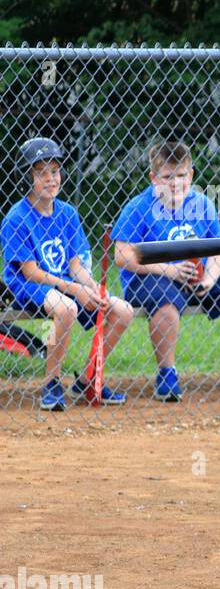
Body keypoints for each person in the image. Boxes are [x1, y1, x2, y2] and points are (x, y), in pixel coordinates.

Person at [111, 140, 220, 400]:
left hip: (196, 278)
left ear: (190, 175)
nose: (175, 183)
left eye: (181, 175)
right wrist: (169, 271)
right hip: (150, 278)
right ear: (153, 178)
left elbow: (219, 249)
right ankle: (167, 373)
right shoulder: (139, 207)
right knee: (167, 301)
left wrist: (209, 280)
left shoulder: (201, 203)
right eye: (167, 176)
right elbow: (122, 255)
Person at [1, 138, 133, 410]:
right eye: (41, 172)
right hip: (27, 284)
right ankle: (52, 383)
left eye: (55, 170)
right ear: (26, 177)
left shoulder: (67, 214)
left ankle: (88, 380)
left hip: (62, 282)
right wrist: (74, 290)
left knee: (122, 310)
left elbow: (75, 266)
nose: (51, 178)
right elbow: (32, 272)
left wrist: (94, 288)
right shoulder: (16, 217)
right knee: (67, 308)